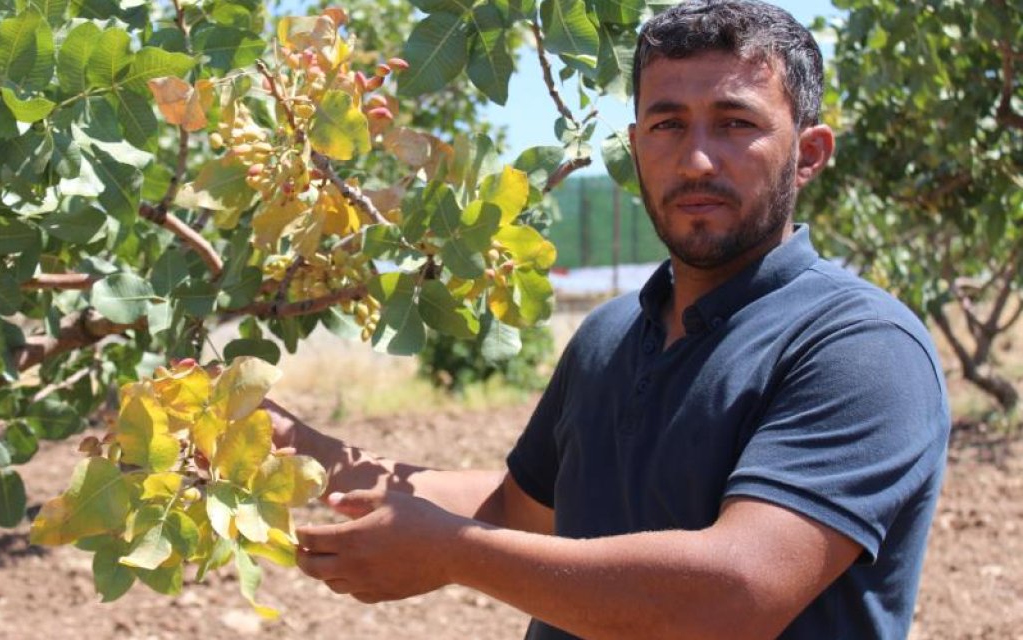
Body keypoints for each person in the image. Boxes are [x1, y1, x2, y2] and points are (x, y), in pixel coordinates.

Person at [266, 1, 951, 637]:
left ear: (808, 153)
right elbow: (520, 511)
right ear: (635, 146)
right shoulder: (612, 332)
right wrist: (294, 446)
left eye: (736, 123)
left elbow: (737, 594)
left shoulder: (860, 345)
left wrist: (452, 555)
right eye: (667, 124)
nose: (697, 159)